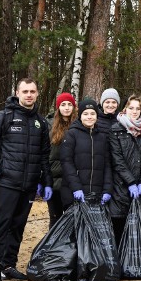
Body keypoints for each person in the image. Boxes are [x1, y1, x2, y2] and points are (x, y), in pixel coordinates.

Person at [0, 78, 53, 281]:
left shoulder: (41, 122)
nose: (29, 95)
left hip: (28, 187)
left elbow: (44, 156)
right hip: (6, 183)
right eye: (25, 91)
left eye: (32, 91)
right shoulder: (4, 117)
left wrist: (46, 182)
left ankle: (8, 265)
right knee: (1, 226)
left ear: (37, 94)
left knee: (17, 227)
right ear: (17, 93)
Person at [108, 95, 141, 246]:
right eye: (131, 108)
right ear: (125, 109)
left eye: (137, 108)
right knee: (119, 220)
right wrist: (130, 182)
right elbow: (117, 160)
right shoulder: (115, 130)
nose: (134, 111)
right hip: (122, 186)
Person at [59, 99, 113, 210]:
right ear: (80, 116)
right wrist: (76, 187)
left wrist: (107, 189)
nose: (89, 117)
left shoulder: (102, 137)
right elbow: (66, 162)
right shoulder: (71, 134)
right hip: (74, 193)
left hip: (96, 195)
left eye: (93, 114)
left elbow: (107, 164)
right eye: (85, 114)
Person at [46, 92, 77, 229]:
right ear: (58, 107)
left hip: (72, 180)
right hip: (54, 180)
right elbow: (45, 153)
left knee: (72, 219)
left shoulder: (79, 125)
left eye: (69, 104)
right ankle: (52, 249)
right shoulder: (49, 125)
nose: (66, 108)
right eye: (63, 104)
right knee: (55, 219)